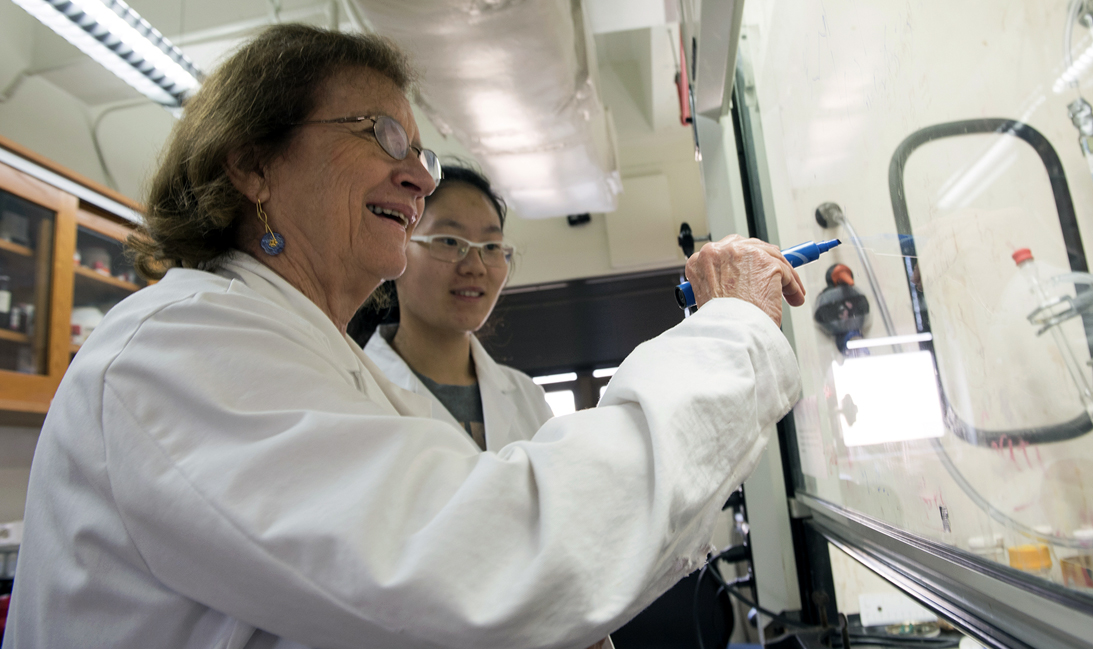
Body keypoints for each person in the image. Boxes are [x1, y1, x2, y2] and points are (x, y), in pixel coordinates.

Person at [3, 24, 805, 649]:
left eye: (418, 150)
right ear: (252, 166)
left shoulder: (327, 362)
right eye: (381, 136)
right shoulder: (179, 346)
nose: (420, 175)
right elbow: (492, 562)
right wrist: (730, 328)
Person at [362, 165, 552, 452]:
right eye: (449, 241)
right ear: (397, 250)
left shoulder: (528, 397)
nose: (475, 266)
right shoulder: (358, 391)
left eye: (491, 246)